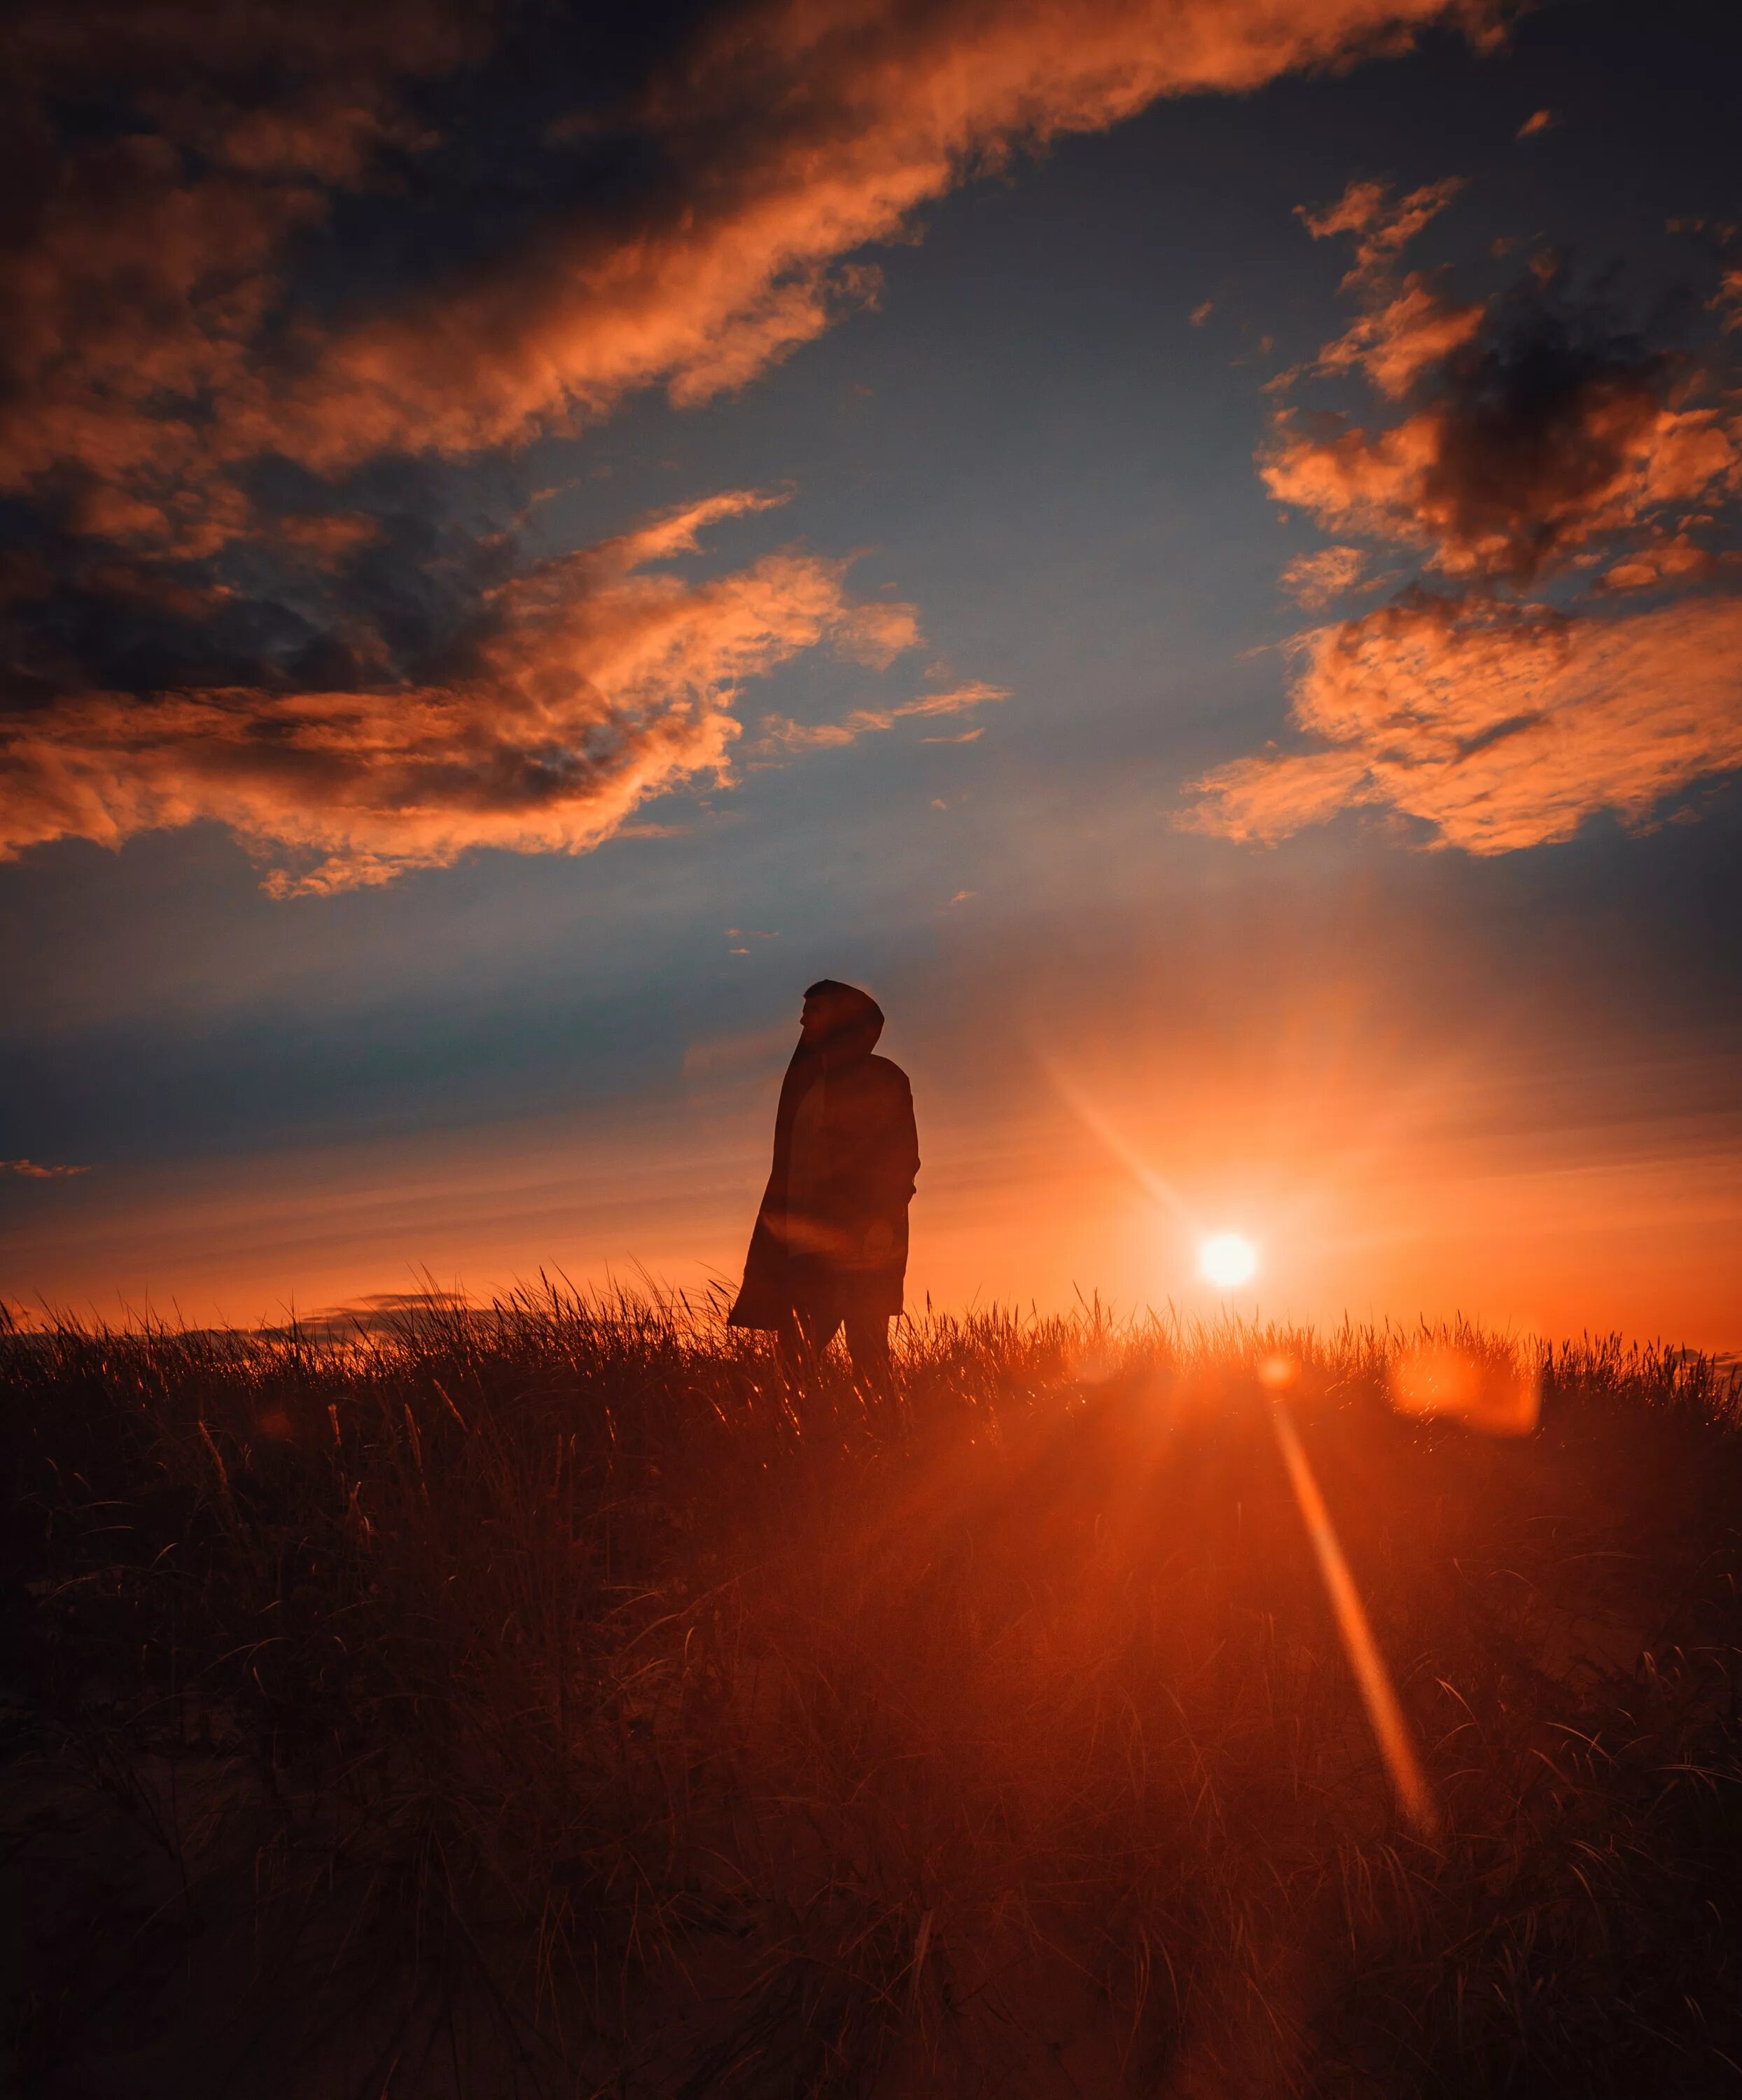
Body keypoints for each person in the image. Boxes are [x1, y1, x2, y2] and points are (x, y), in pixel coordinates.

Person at [728, 979, 919, 1398]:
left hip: (864, 1242)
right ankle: (797, 1449)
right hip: (807, 1246)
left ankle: (882, 1446)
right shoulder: (806, 1084)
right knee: (794, 1361)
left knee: (867, 1353)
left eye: (813, 1010)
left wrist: (882, 1224)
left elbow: (900, 1158)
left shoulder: (882, 1079)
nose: (801, 1019)